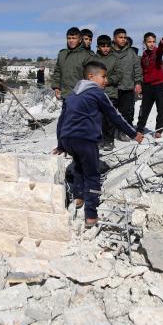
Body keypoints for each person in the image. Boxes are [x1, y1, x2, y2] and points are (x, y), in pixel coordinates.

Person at [54, 61, 144, 226]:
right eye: (103, 76)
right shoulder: (97, 93)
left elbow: (61, 120)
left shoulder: (71, 95)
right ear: (90, 77)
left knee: (78, 167)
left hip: (68, 139)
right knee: (92, 175)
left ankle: (78, 198)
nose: (106, 80)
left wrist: (60, 144)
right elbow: (115, 115)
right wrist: (133, 133)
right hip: (86, 139)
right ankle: (91, 215)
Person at [112, 28, 143, 140]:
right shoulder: (108, 51)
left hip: (127, 86)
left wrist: (138, 82)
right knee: (111, 112)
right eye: (120, 37)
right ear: (114, 39)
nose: (123, 39)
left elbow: (137, 68)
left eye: (125, 37)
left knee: (126, 112)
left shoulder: (131, 52)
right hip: (112, 88)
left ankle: (122, 132)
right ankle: (109, 134)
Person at [51, 27, 97, 99]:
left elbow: (92, 77)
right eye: (69, 38)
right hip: (65, 95)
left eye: (74, 38)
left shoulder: (87, 55)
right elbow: (57, 72)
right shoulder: (62, 54)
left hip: (81, 96)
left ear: (80, 40)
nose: (71, 40)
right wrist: (56, 87)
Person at [136, 32, 163, 138]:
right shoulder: (143, 56)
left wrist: (162, 44)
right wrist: (139, 84)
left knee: (161, 109)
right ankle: (140, 129)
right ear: (145, 42)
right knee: (144, 109)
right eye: (149, 42)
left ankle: (158, 131)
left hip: (159, 85)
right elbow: (142, 71)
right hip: (147, 86)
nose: (151, 44)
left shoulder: (157, 52)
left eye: (153, 41)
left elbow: (161, 51)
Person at [96, 35, 122, 151]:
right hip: (96, 93)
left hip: (110, 93)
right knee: (98, 118)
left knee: (109, 119)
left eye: (107, 46)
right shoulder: (93, 58)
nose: (105, 48)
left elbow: (119, 74)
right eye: (103, 46)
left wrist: (109, 80)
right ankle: (99, 140)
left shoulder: (115, 59)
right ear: (98, 47)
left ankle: (109, 141)